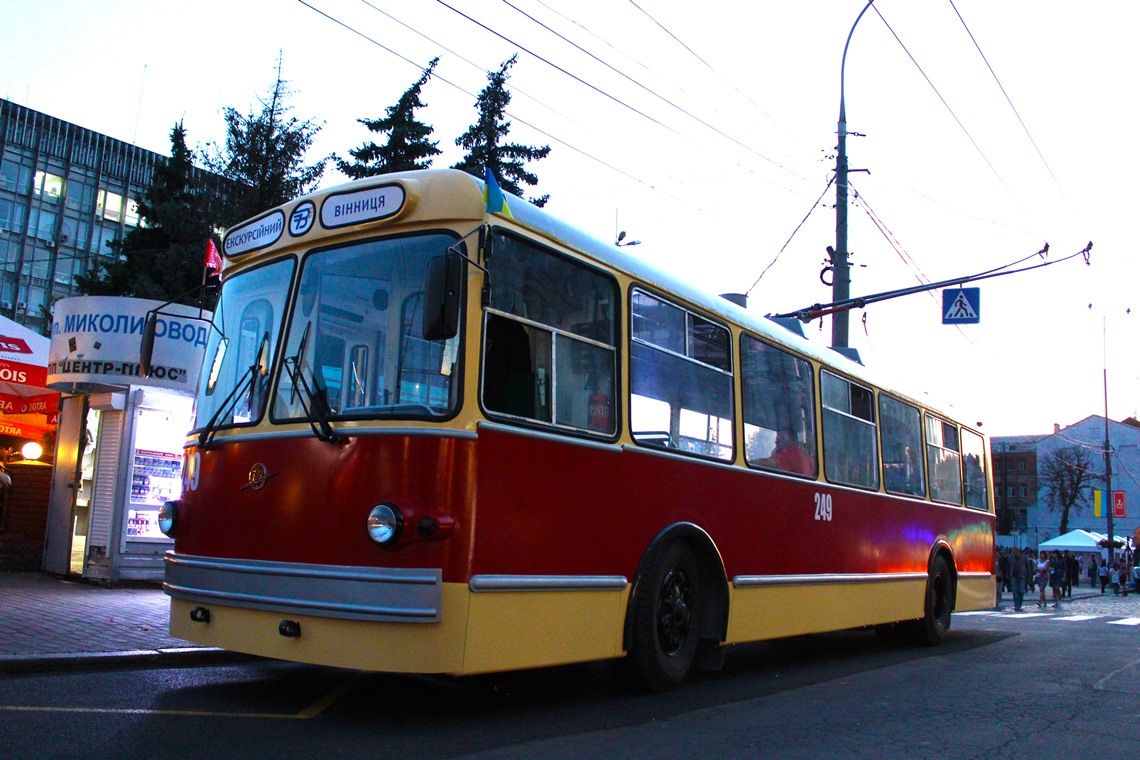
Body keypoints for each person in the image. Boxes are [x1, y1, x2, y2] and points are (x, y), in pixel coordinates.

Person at [1008, 546, 1027, 611]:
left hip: (1022, 576)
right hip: (1013, 576)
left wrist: (1027, 574)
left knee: (1021, 591)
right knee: (1015, 591)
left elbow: (1027, 567)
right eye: (1013, 552)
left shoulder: (1024, 558)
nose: (1014, 553)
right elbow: (1008, 566)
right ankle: (1017, 605)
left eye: (1014, 551)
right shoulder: (1010, 558)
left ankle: (1019, 603)